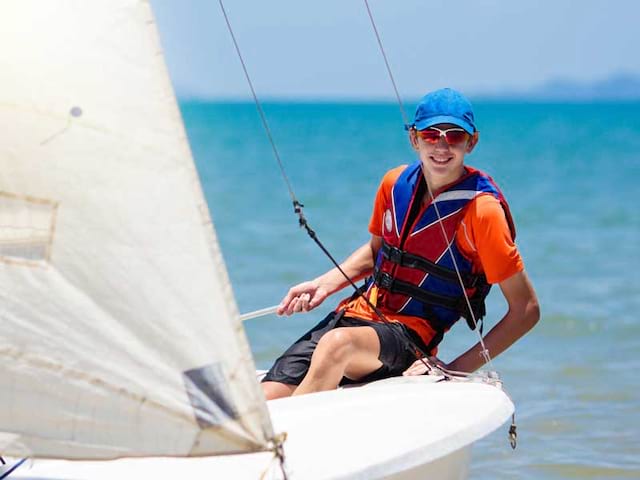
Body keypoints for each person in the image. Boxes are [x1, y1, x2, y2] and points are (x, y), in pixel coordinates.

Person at [262, 88, 540, 400]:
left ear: (471, 142)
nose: (442, 145)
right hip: (357, 317)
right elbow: (377, 254)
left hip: (410, 340)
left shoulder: (482, 211)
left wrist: (454, 369)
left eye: (455, 136)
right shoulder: (394, 184)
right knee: (261, 398)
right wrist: (323, 284)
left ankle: (291, 446)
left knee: (336, 346)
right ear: (414, 139)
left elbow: (526, 309)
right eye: (431, 134)